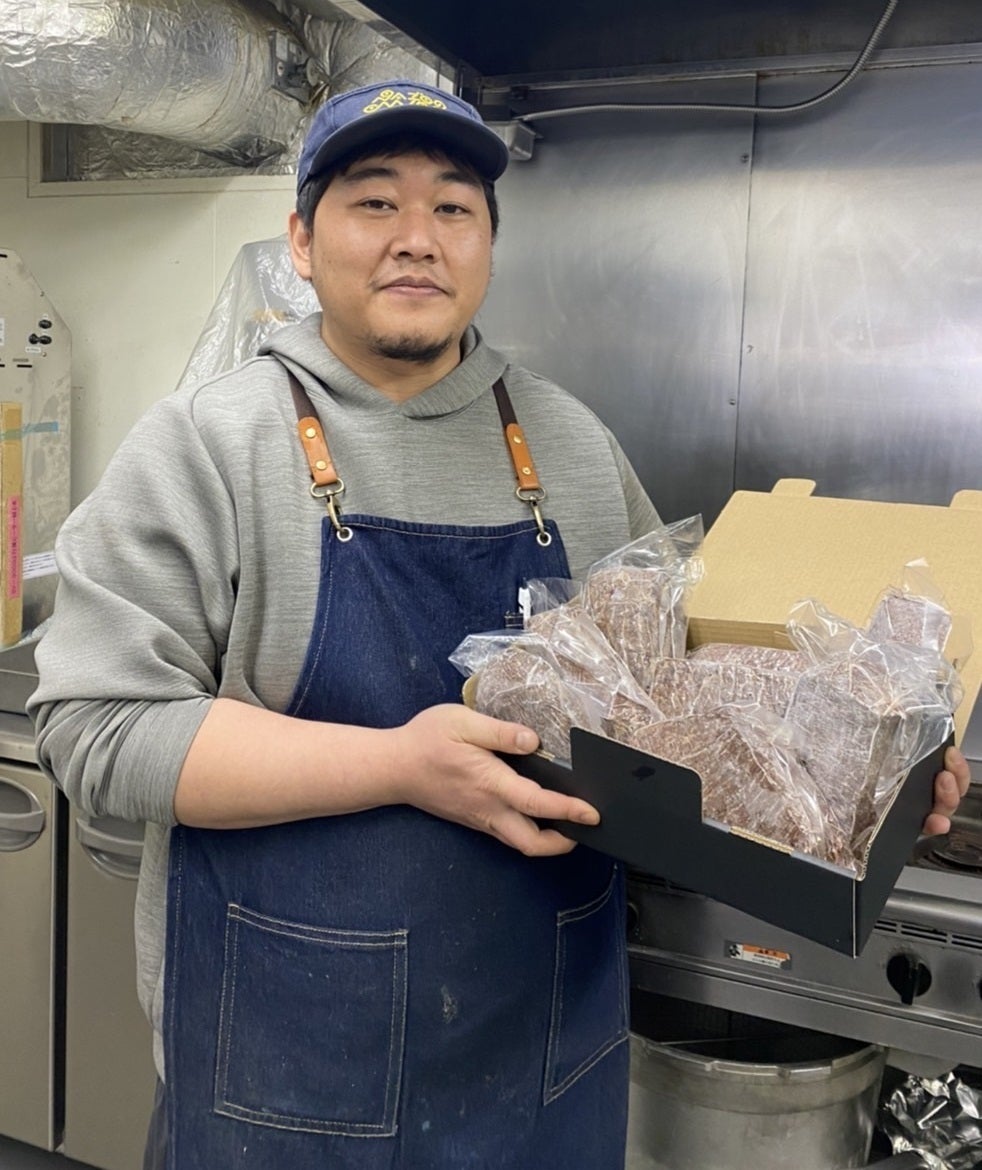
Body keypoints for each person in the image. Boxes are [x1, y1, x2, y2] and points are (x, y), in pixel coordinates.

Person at [28, 78, 970, 1170]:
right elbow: (98, 729)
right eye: (373, 202)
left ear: (487, 245)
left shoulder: (573, 446)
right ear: (302, 240)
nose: (416, 237)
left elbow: (678, 725)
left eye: (453, 207)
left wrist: (853, 788)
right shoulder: (205, 444)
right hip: (289, 1059)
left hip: (540, 1056)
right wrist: (400, 766)